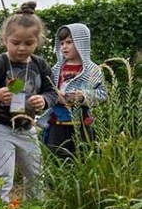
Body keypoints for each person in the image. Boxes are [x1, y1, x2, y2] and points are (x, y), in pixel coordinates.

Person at [0, 2, 58, 203]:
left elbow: (52, 91)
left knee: (36, 176)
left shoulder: (40, 65)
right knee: (2, 177)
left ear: (38, 41)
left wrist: (44, 100)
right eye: (16, 42)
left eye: (29, 43)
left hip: (26, 128)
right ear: (5, 40)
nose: (21, 48)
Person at [37, 23, 107, 158]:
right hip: (57, 122)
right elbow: (45, 91)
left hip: (82, 123)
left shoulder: (93, 70)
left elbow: (102, 94)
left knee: (82, 156)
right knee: (56, 157)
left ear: (82, 42)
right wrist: (53, 96)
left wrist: (82, 96)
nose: (64, 47)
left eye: (69, 42)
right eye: (62, 43)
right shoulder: (56, 69)